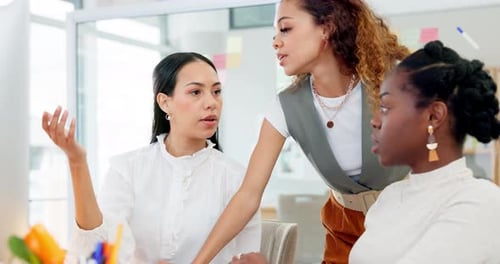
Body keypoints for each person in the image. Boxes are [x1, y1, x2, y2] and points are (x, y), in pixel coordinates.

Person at [193, 0, 410, 263]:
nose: (276, 42)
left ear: (326, 28)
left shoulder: (396, 84)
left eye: (285, 29)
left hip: (409, 222)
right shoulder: (286, 106)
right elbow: (248, 195)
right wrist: (198, 262)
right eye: (275, 34)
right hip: (345, 232)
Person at [41, 52, 261, 263]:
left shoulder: (237, 179)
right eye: (196, 92)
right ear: (165, 102)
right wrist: (77, 161)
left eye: (216, 91)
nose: (211, 102)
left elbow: (246, 255)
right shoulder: (127, 169)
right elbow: (98, 249)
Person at [349, 40, 500, 263]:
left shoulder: (481, 203)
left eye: (386, 108)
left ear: (433, 116)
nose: (375, 121)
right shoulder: (389, 198)